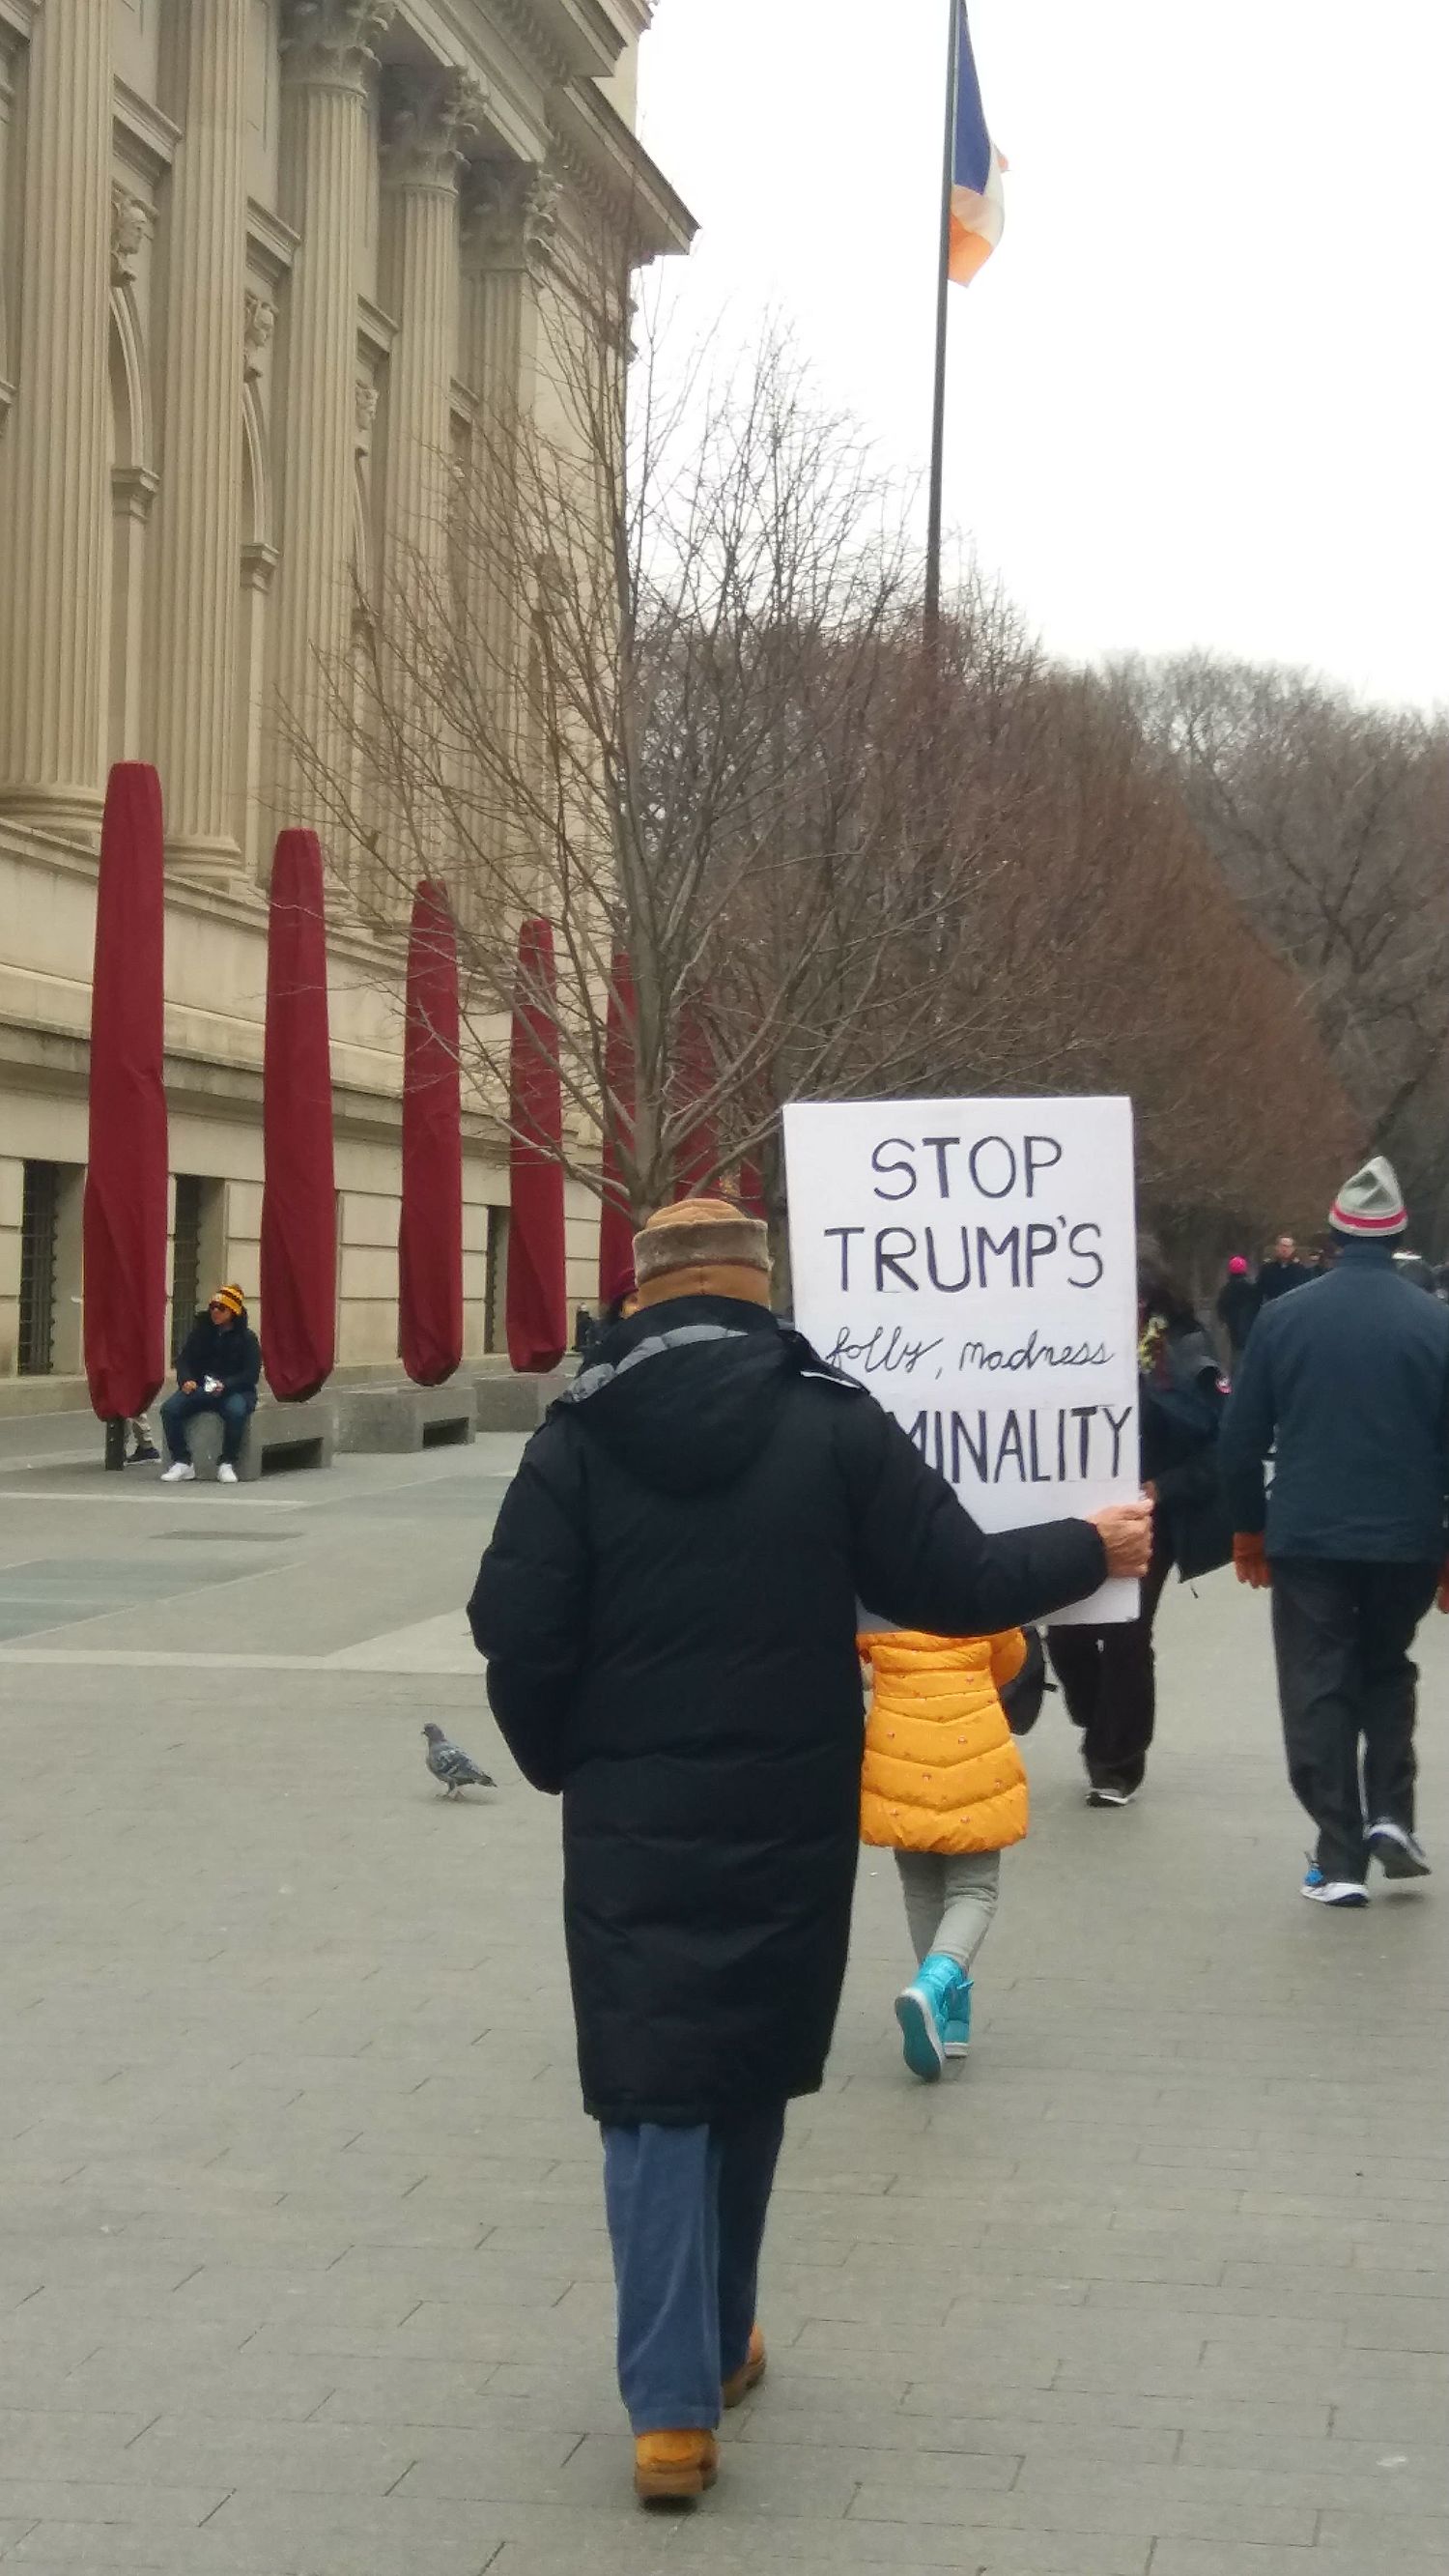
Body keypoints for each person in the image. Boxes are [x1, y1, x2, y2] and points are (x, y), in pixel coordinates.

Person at [467, 1195, 1152, 2504]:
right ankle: (719, 2340)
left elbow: (517, 1627)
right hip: (788, 1806)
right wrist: (1091, 1544)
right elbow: (951, 1580)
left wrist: (567, 1758)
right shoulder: (832, 1420)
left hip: (631, 1811)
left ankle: (671, 2410)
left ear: (644, 1294)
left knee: (653, 2080)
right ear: (761, 1289)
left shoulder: (575, 1437)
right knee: (745, 2068)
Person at [1221, 1156, 1447, 1905]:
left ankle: (1339, 1853)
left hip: (1308, 1533)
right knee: (1387, 1668)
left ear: (1334, 1232)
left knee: (1318, 1681)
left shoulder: (1285, 1319)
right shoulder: (1437, 1325)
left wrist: (1247, 1532)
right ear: (1400, 1233)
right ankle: (1391, 1813)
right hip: (1408, 1537)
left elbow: (1240, 1438)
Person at [1047, 1245, 1232, 1807]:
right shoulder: (1065, 1345)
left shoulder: (1183, 1355)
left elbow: (1217, 1449)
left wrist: (1162, 1489)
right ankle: (1100, 1714)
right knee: (1068, 1628)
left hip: (1149, 1517)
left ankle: (1116, 1764)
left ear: (1145, 1302)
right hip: (1077, 1512)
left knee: (1127, 1632)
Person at [859, 1621, 1029, 2081]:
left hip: (898, 1756)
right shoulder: (978, 1575)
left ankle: (951, 2019)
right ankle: (936, 1989)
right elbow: (1011, 1656)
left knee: (920, 1887)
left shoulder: (877, 1590)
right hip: (974, 1754)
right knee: (975, 1890)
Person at [159, 1286, 262, 1485]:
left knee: (236, 1411)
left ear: (233, 1312)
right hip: (203, 1387)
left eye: (221, 1308)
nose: (215, 1312)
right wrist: (186, 1379)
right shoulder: (201, 1333)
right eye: (213, 1307)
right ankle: (182, 1461)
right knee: (170, 1409)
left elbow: (251, 1374)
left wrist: (227, 1384)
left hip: (235, 1390)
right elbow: (184, 1360)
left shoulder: (247, 1339)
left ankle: (227, 1462)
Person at [1215, 1256, 1261, 1367]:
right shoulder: (1250, 1287)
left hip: (1232, 1325)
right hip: (1249, 1324)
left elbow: (1221, 1306)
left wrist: (1222, 1318)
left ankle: (1235, 1378)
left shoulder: (1227, 1289)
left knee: (1235, 1353)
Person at [1258, 1233, 1314, 1302]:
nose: (1285, 1250)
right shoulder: (1267, 1269)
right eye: (1282, 1246)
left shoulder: (1301, 1271)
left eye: (1288, 1247)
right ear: (1277, 1247)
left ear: (1293, 1249)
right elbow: (1259, 1291)